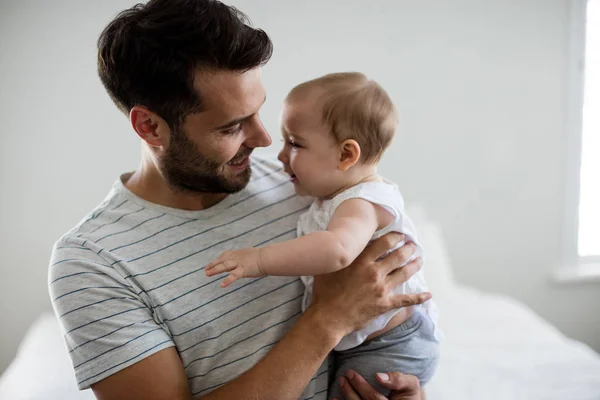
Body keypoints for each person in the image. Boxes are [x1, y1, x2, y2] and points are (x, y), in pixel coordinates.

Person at [48, 1, 431, 399]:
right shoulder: (93, 263)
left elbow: (388, 327)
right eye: (232, 127)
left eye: (258, 112)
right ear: (150, 126)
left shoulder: (302, 185)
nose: (265, 140)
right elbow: (343, 310)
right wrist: (329, 318)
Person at [206, 72, 440, 398]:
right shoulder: (333, 197)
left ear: (346, 155)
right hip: (372, 342)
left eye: (295, 143)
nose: (280, 156)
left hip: (388, 345)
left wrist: (259, 259)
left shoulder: (362, 201)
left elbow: (337, 249)